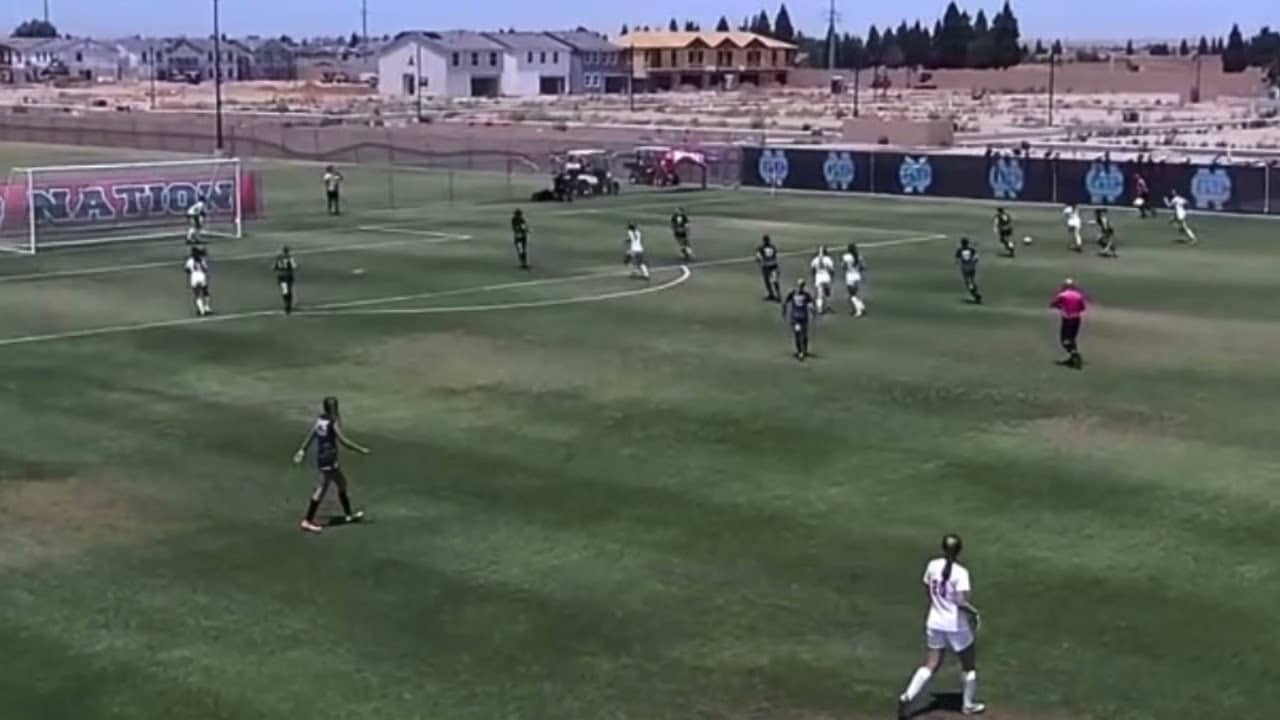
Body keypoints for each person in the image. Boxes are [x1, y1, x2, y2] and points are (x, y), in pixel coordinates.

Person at [897, 534, 986, 719]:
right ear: (959, 550)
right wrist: (974, 612)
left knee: (931, 664)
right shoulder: (961, 573)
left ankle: (907, 696)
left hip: (935, 621)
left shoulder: (932, 565)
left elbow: (929, 586)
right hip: (956, 625)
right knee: (968, 666)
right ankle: (968, 705)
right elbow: (960, 601)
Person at [293, 396, 370, 534]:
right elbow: (343, 440)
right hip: (328, 459)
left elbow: (311, 436)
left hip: (324, 458)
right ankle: (307, 521)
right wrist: (360, 449)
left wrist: (302, 449)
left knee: (342, 483)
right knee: (322, 489)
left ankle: (348, 515)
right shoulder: (331, 423)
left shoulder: (320, 420)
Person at [1050, 278, 1087, 369]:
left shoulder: (1062, 295)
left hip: (1067, 319)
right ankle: (1072, 358)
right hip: (1077, 319)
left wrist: (1061, 308)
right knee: (1072, 338)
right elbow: (1082, 308)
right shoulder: (1079, 296)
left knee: (1064, 339)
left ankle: (1074, 353)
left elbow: (1053, 304)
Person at [782, 278, 816, 361]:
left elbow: (810, 304)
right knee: (797, 333)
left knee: (804, 335)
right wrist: (784, 311)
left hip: (804, 317)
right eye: (800, 285)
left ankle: (804, 350)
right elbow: (785, 302)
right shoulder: (792, 294)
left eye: (802, 285)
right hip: (795, 317)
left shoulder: (806, 295)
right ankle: (800, 352)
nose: (800, 287)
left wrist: (813, 312)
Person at [183, 245, 212, 317]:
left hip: (194, 276)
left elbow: (186, 270)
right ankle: (207, 307)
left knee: (197, 293)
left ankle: (201, 310)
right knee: (205, 291)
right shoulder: (202, 259)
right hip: (201, 275)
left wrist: (191, 271)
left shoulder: (189, 260)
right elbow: (205, 269)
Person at [841, 242, 867, 317]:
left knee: (852, 295)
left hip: (850, 277)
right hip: (857, 276)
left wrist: (847, 268)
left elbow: (843, 266)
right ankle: (862, 308)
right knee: (857, 293)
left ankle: (858, 311)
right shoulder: (859, 256)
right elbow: (863, 267)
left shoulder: (846, 256)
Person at [809, 245, 835, 314]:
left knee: (819, 295)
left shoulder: (815, 259)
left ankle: (819, 309)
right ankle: (828, 306)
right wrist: (832, 277)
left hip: (818, 277)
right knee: (827, 293)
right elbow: (832, 269)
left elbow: (812, 269)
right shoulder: (828, 259)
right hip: (826, 277)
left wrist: (814, 276)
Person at [955, 237, 982, 305]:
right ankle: (975, 291)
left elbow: (957, 260)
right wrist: (973, 263)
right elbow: (976, 258)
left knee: (967, 282)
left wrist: (959, 263)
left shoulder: (959, 250)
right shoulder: (971, 250)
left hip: (965, 268)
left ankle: (974, 293)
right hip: (972, 267)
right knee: (972, 280)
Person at [756, 235, 782, 302]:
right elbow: (775, 255)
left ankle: (771, 295)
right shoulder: (773, 247)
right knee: (774, 281)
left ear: (764, 240)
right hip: (774, 265)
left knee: (767, 281)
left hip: (766, 266)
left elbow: (758, 257)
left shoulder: (761, 248)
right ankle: (778, 295)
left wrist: (760, 261)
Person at [273, 246, 297, 314]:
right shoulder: (289, 258)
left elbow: (274, 267)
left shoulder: (278, 258)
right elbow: (294, 266)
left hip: (281, 276)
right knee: (289, 290)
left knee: (284, 290)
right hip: (288, 276)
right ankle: (289, 305)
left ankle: (286, 304)